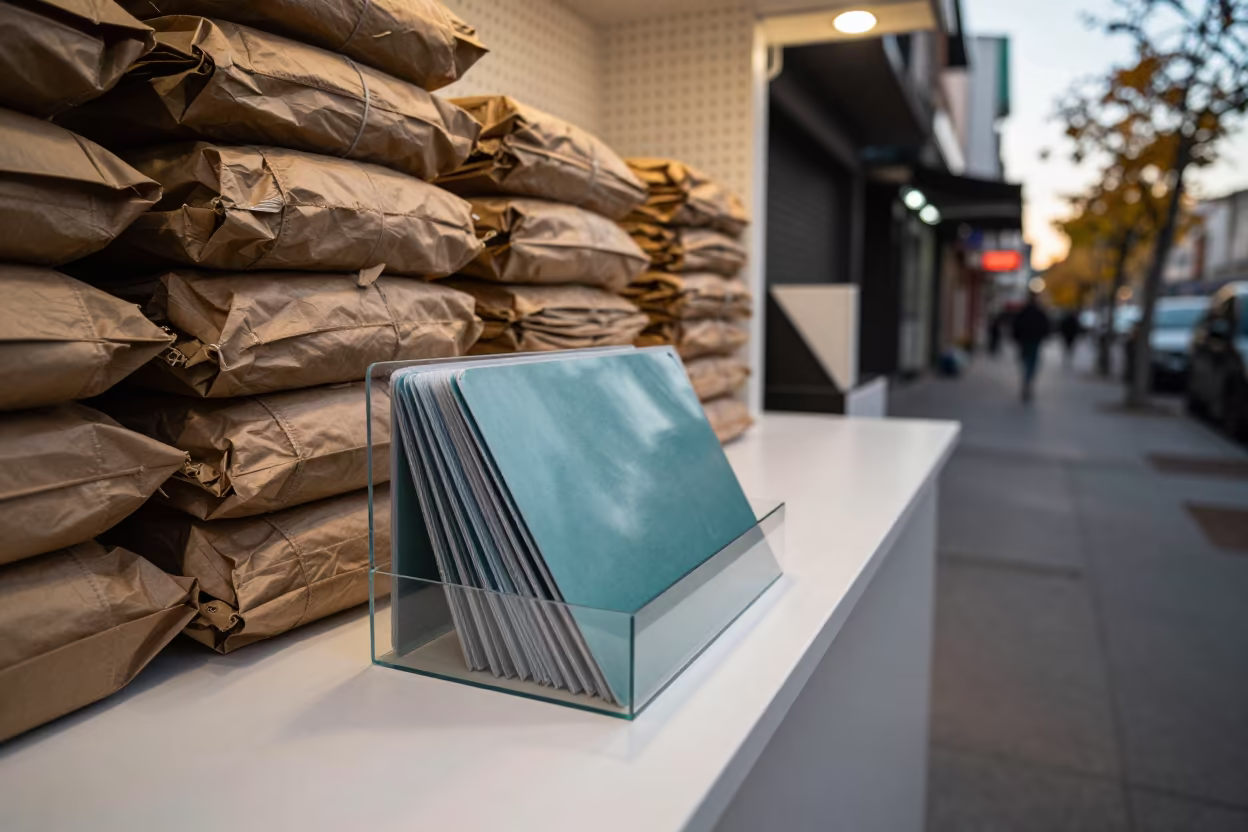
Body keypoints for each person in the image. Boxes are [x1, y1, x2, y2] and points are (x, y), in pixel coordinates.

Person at [1012, 293, 1052, 402]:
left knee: (1026, 361)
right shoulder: (1039, 313)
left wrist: (1017, 338)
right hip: (1034, 341)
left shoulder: (1023, 312)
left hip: (1025, 341)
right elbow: (1046, 327)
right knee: (1031, 362)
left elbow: (1016, 326)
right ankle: (1028, 379)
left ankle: (1026, 379)